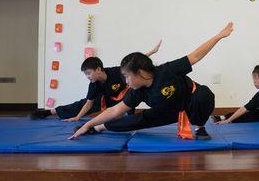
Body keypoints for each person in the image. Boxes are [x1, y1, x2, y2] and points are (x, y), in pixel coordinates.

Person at [69, 23, 234, 140]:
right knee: (135, 120)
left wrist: (219, 36)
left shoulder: (167, 70)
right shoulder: (137, 91)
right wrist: (88, 125)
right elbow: (114, 111)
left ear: (140, 73)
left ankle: (199, 127)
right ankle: (100, 128)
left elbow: (196, 55)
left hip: (190, 102)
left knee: (203, 95)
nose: (126, 81)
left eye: (127, 76)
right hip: (168, 111)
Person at [29, 41, 162, 121]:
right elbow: (87, 104)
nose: (87, 76)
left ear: (98, 69)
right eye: (85, 74)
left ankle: (130, 119)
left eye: (88, 73)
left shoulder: (116, 72)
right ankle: (48, 112)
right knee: (79, 105)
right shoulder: (94, 85)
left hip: (123, 97)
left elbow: (135, 62)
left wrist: (153, 51)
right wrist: (78, 117)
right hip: (106, 100)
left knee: (131, 94)